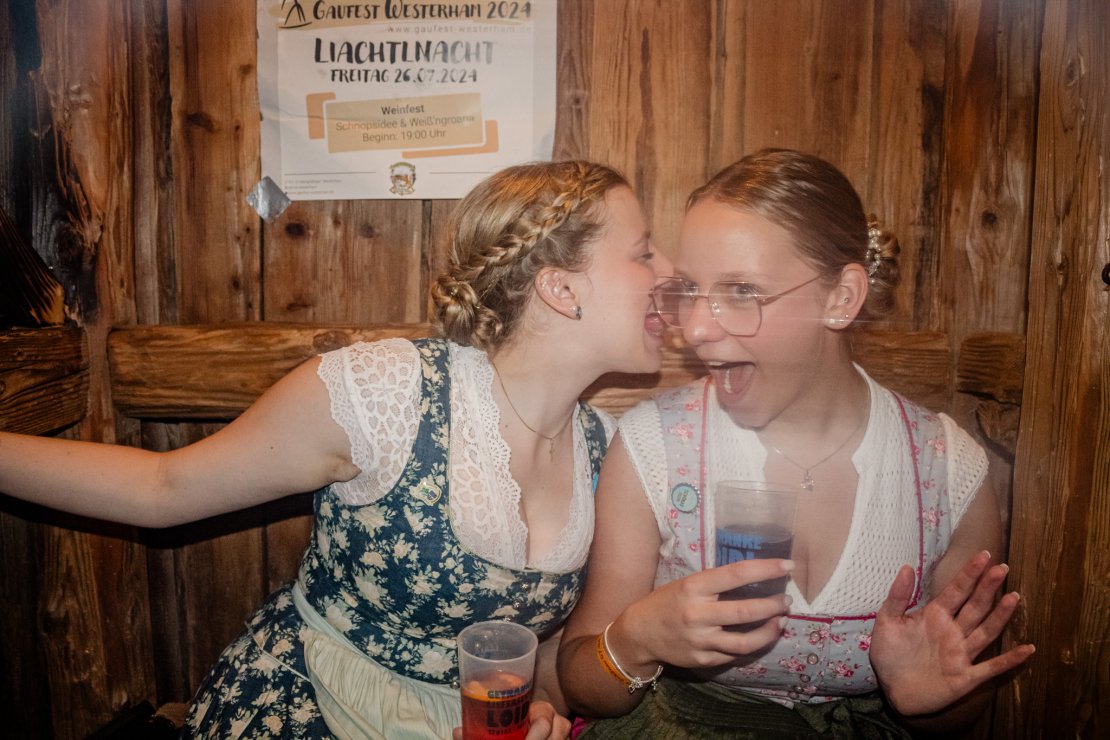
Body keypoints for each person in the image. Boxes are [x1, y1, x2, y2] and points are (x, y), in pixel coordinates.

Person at [0, 160, 671, 739]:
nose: (667, 271)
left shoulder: (604, 448)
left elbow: (545, 659)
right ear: (560, 288)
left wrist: (541, 709)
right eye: (644, 253)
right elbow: (162, 488)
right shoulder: (391, 394)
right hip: (309, 708)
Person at [556, 148, 1035, 738]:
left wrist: (927, 701)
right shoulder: (655, 447)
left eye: (741, 291)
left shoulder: (947, 473)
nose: (697, 328)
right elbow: (581, 680)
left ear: (841, 298)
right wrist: (636, 639)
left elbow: (962, 711)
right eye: (691, 290)